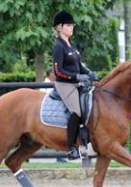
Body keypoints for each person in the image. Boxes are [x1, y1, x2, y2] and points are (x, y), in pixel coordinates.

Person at [51, 10, 97, 159]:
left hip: (76, 83)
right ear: (59, 27)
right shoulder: (58, 46)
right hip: (64, 84)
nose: (72, 27)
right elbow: (58, 71)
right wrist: (76, 76)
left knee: (90, 105)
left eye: (72, 25)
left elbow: (79, 65)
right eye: (68, 25)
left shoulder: (72, 44)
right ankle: (70, 148)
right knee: (76, 112)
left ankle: (86, 142)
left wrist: (89, 73)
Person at [40, 67, 67, 163]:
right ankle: (59, 156)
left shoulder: (54, 83)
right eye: (54, 73)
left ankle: (60, 156)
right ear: (50, 74)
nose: (56, 75)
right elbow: (44, 96)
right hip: (49, 109)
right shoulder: (45, 84)